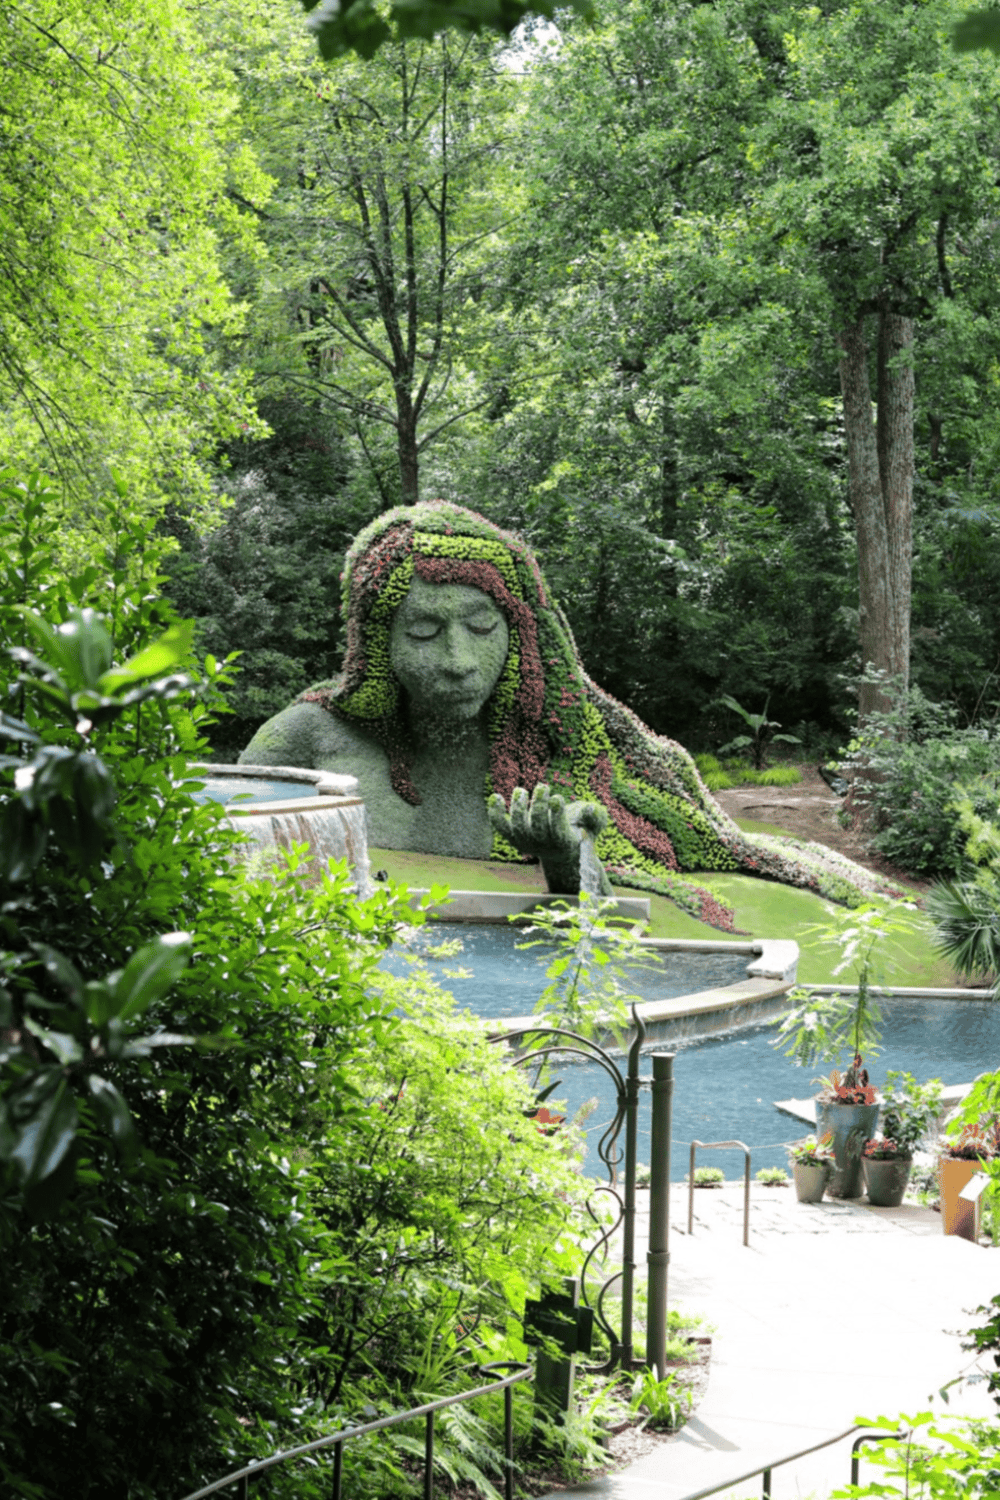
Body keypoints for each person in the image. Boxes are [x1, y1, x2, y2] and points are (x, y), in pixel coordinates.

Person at [240, 501, 892, 929]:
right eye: (422, 633)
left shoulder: (541, 755)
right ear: (376, 644)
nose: (458, 660)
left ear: (520, 634)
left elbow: (594, 910)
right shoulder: (306, 737)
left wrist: (558, 857)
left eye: (479, 625)